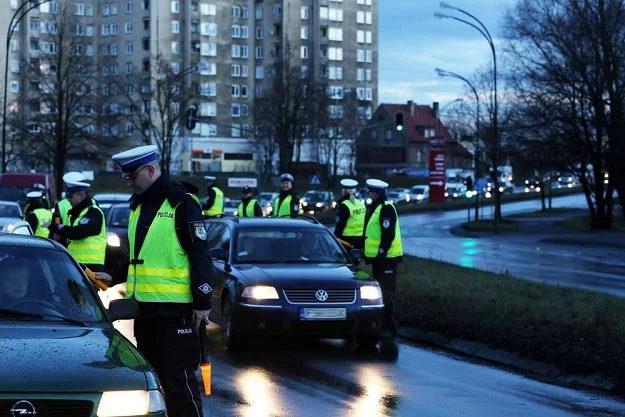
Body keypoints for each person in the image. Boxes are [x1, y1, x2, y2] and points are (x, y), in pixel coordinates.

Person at [106, 144, 213, 417]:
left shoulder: (182, 203)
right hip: (146, 311)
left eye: (132, 176)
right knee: (151, 383)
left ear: (150, 170)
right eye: (125, 178)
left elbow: (200, 254)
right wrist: (115, 275)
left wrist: (202, 301)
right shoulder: (137, 206)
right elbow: (140, 255)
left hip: (176, 313)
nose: (128, 182)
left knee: (179, 384)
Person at [363, 178, 403, 342]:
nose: (370, 195)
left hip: (387, 259)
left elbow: (388, 233)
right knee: (380, 293)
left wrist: (381, 252)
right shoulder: (375, 208)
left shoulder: (386, 209)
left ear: (378, 193)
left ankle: (389, 326)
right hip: (379, 260)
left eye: (371, 192)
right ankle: (382, 324)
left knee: (386, 293)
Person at [48, 179, 107, 273]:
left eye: (70, 196)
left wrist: (56, 228)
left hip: (90, 265)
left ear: (81, 195)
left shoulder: (93, 212)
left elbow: (78, 232)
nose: (68, 199)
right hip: (77, 262)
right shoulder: (80, 211)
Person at [334, 178, 366, 250]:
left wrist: (335, 237)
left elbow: (340, 224)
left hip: (346, 241)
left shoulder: (344, 205)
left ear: (343, 191)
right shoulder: (361, 204)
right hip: (360, 240)